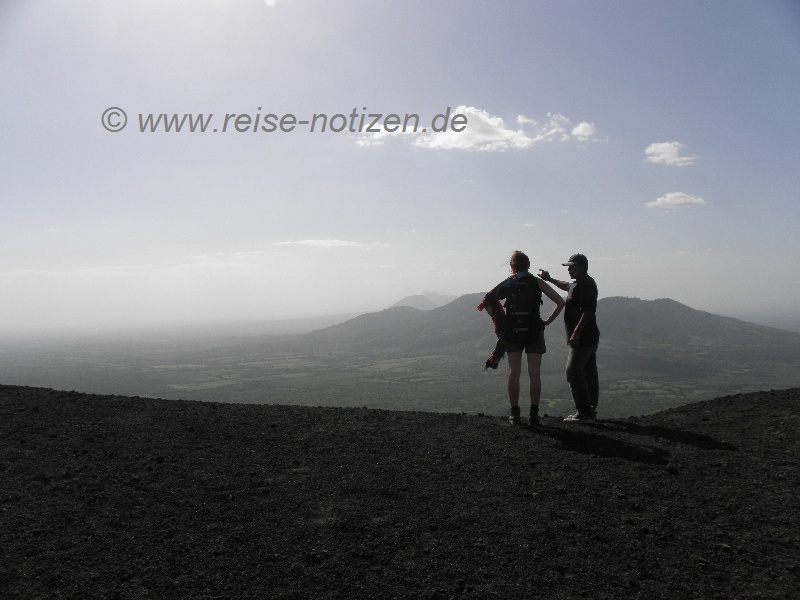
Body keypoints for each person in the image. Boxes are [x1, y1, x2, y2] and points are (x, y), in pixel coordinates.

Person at [481, 251, 565, 426]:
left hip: (513, 332)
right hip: (534, 330)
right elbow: (560, 302)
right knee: (534, 373)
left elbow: (487, 301)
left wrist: (501, 322)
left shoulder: (508, 283)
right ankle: (534, 415)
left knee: (514, 373)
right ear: (528, 265)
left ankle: (514, 414)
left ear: (512, 266)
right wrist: (547, 321)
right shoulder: (537, 282)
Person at [539, 253, 600, 423]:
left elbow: (589, 311)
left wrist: (575, 333)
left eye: (572, 266)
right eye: (568, 267)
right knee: (588, 373)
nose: (569, 269)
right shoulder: (577, 284)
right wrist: (550, 278)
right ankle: (590, 411)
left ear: (581, 267)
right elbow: (566, 285)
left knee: (573, 371)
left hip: (583, 338)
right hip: (588, 337)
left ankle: (584, 412)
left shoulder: (587, 284)